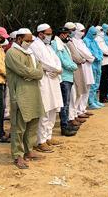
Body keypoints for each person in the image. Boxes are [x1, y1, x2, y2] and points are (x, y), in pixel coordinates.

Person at [5, 28, 45, 169]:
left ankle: (29, 150)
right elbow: (23, 70)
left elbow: (39, 69)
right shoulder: (12, 53)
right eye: (27, 40)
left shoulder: (31, 53)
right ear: (19, 39)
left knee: (33, 122)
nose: (30, 43)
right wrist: (35, 73)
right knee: (19, 126)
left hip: (33, 92)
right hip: (20, 94)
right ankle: (18, 155)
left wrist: (33, 74)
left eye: (31, 40)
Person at [30, 24, 64, 152]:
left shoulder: (49, 47)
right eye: (48, 33)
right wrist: (55, 69)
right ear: (40, 34)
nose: (50, 35)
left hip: (53, 79)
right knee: (45, 110)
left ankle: (48, 136)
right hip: (44, 80)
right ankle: (40, 141)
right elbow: (42, 62)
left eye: (50, 33)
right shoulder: (35, 45)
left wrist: (58, 70)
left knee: (53, 109)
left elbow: (57, 60)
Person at [51, 27, 79, 136]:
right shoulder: (56, 44)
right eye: (67, 34)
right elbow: (62, 61)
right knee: (64, 103)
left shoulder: (62, 44)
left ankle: (66, 123)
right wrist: (74, 66)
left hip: (68, 76)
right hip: (64, 77)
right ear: (62, 35)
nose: (68, 36)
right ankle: (64, 126)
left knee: (67, 102)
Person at [83, 26, 104, 109]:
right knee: (92, 84)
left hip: (98, 64)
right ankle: (91, 102)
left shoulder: (94, 41)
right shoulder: (86, 41)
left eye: (95, 34)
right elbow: (89, 51)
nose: (94, 35)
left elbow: (99, 50)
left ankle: (95, 100)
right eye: (93, 34)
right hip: (92, 64)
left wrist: (100, 56)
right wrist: (96, 57)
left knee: (97, 83)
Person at [96, 25, 108, 103]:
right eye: (101, 30)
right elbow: (103, 50)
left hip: (107, 61)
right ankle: (102, 97)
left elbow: (107, 49)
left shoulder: (102, 39)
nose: (103, 32)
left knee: (106, 80)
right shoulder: (97, 39)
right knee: (102, 81)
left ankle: (105, 96)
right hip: (102, 62)